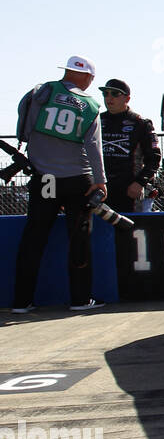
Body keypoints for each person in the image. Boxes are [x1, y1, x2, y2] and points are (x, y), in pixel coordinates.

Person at [11, 55, 107, 313]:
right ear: (88, 77)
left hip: (46, 180)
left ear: (66, 72)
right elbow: (94, 147)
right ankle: (80, 299)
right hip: (78, 180)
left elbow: (26, 129)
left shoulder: (42, 92)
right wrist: (100, 182)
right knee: (79, 239)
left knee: (34, 236)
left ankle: (21, 302)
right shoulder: (90, 105)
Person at [98, 78, 161, 213]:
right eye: (106, 94)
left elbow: (154, 159)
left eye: (115, 94)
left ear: (127, 98)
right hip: (101, 188)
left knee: (128, 230)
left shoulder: (141, 123)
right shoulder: (97, 120)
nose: (109, 98)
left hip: (129, 189)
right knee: (99, 231)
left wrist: (140, 183)